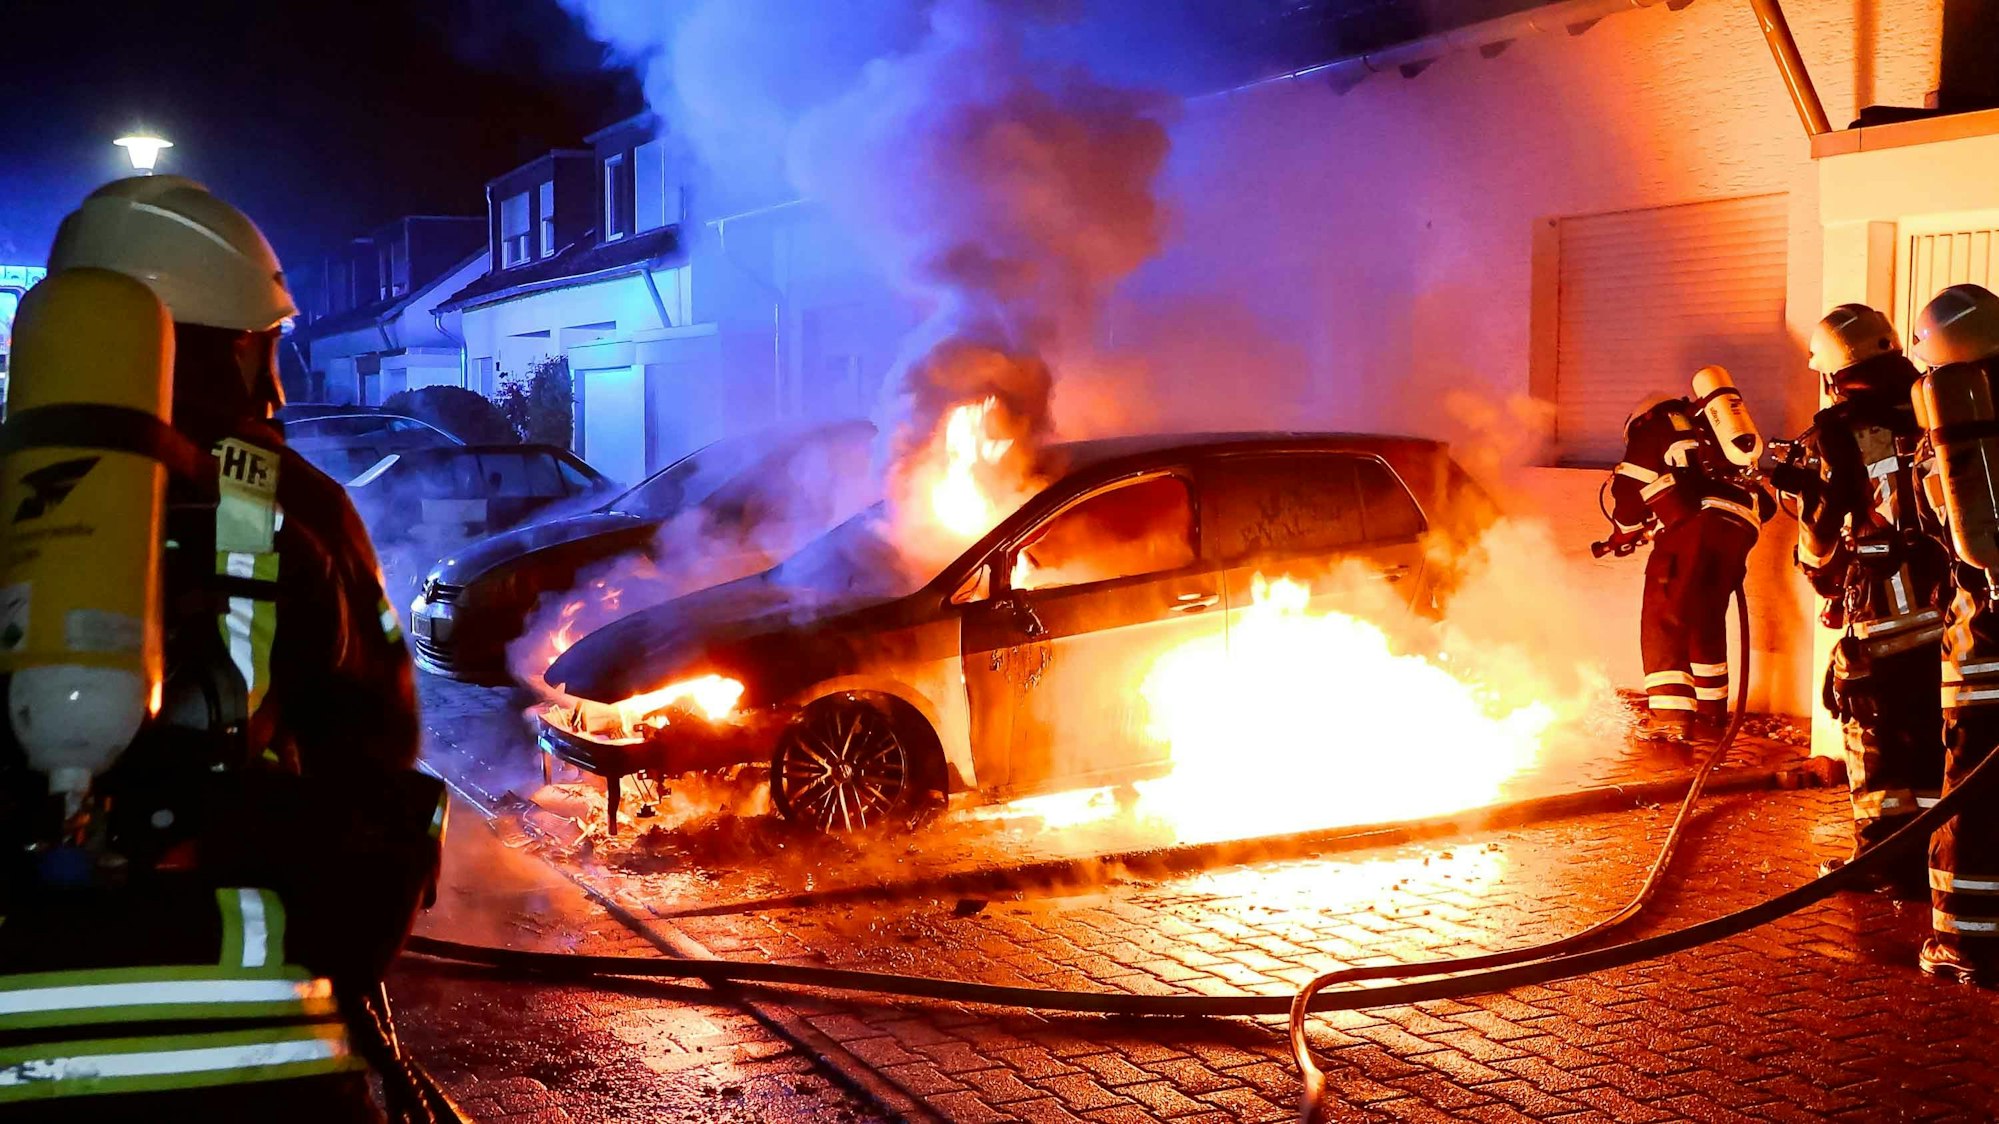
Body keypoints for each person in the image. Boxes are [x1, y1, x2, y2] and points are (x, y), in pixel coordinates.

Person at [0, 177, 441, 1118]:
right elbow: (379, 752)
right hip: (260, 1060)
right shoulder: (293, 506)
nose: (274, 380)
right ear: (233, 348)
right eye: (265, 346)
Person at [1771, 305, 1948, 890]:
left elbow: (1824, 520)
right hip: (1954, 604)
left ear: (1834, 367)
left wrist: (1816, 570)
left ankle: (1882, 861)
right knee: (1932, 728)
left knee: (1872, 726)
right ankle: (1933, 850)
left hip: (1883, 608)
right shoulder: (1939, 402)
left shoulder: (1837, 427)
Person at [1909, 282, 1999, 985]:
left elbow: (1942, 520)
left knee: (1973, 779)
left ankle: (1961, 942)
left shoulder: (1957, 414)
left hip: (1987, 627)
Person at [1603, 388, 1775, 743]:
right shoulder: (1704, 429)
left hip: (1697, 525)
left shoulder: (1651, 428)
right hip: (1741, 527)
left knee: (1663, 615)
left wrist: (1623, 532)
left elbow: (1628, 489)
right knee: (1706, 619)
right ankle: (1712, 716)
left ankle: (1670, 718)